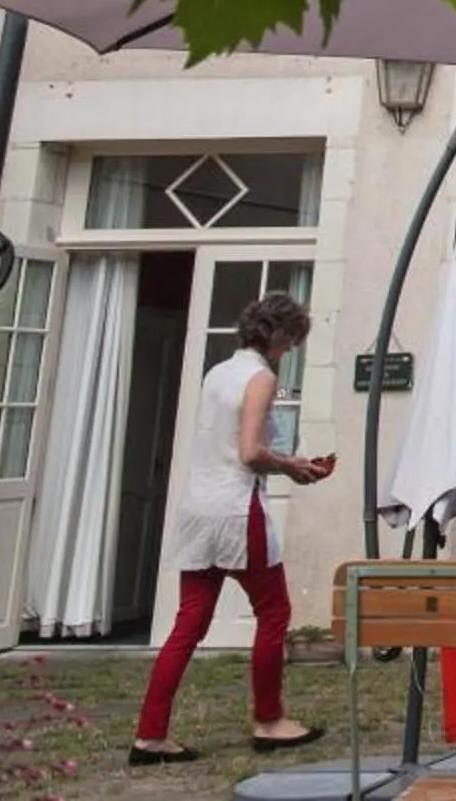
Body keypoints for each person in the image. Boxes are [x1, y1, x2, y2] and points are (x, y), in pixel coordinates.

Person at [130, 289, 336, 764]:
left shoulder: (218, 373)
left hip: (197, 506)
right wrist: (293, 466)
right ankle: (270, 720)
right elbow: (249, 453)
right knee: (274, 612)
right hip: (237, 510)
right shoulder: (260, 378)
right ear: (278, 335)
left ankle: (150, 733)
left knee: (188, 623)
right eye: (290, 343)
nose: (290, 352)